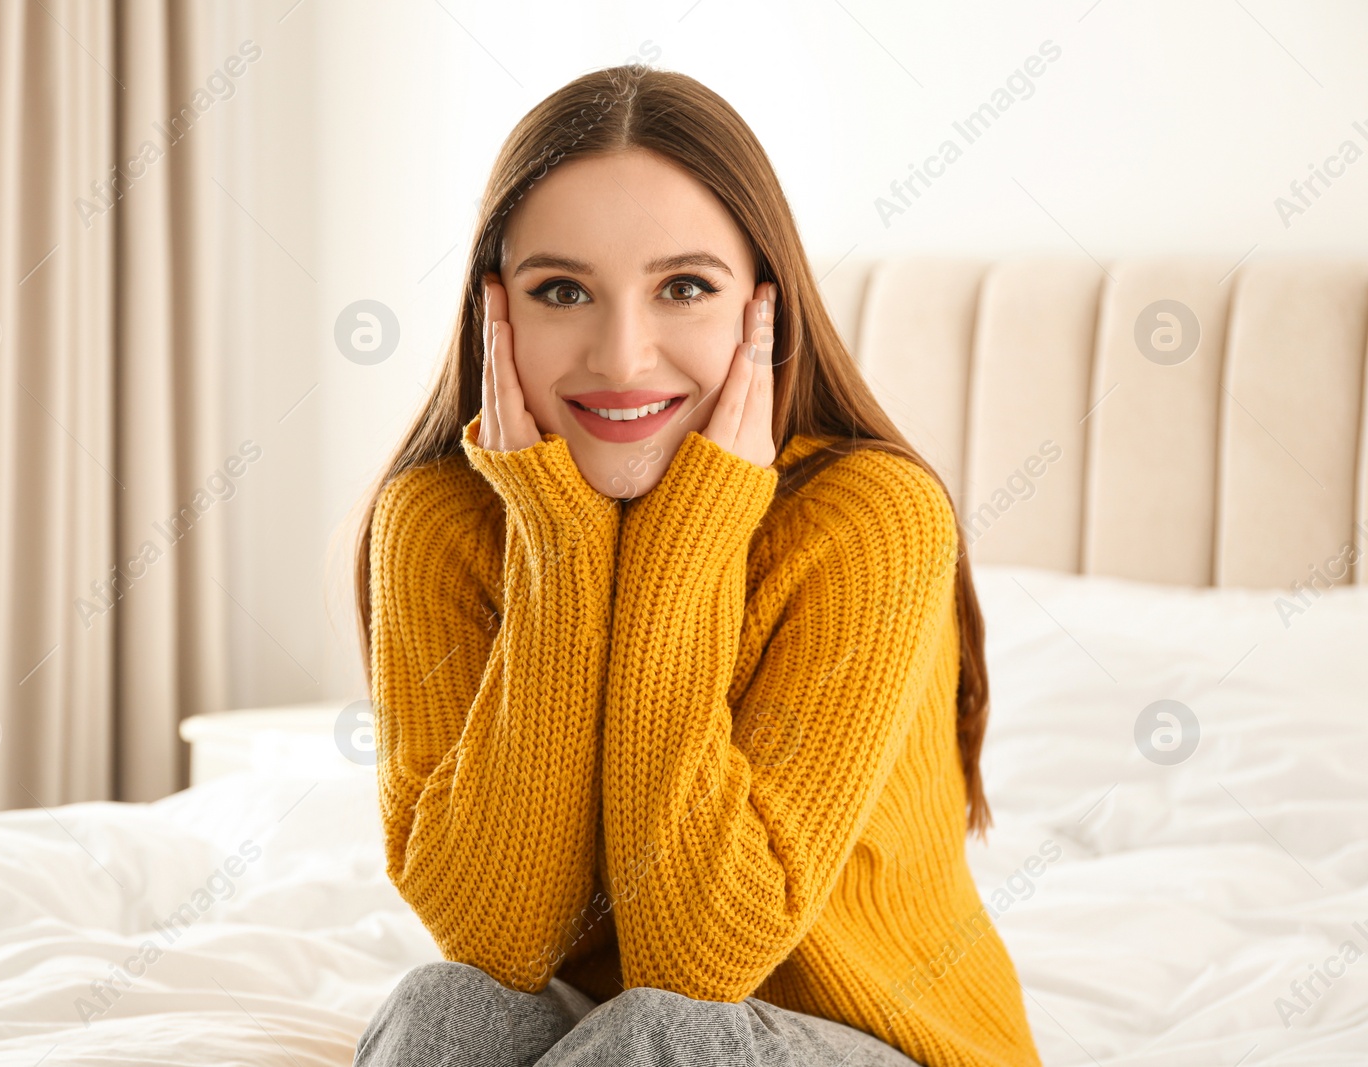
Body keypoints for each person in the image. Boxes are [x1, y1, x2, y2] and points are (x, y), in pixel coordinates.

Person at [349, 62, 1041, 1067]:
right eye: (560, 290)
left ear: (763, 306)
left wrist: (692, 535)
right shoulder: (439, 520)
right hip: (606, 1035)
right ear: (494, 312)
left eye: (683, 287)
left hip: (879, 1039)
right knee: (444, 1008)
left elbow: (698, 953)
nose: (622, 356)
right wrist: (558, 541)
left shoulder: (873, 519)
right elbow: (497, 939)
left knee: (659, 1033)